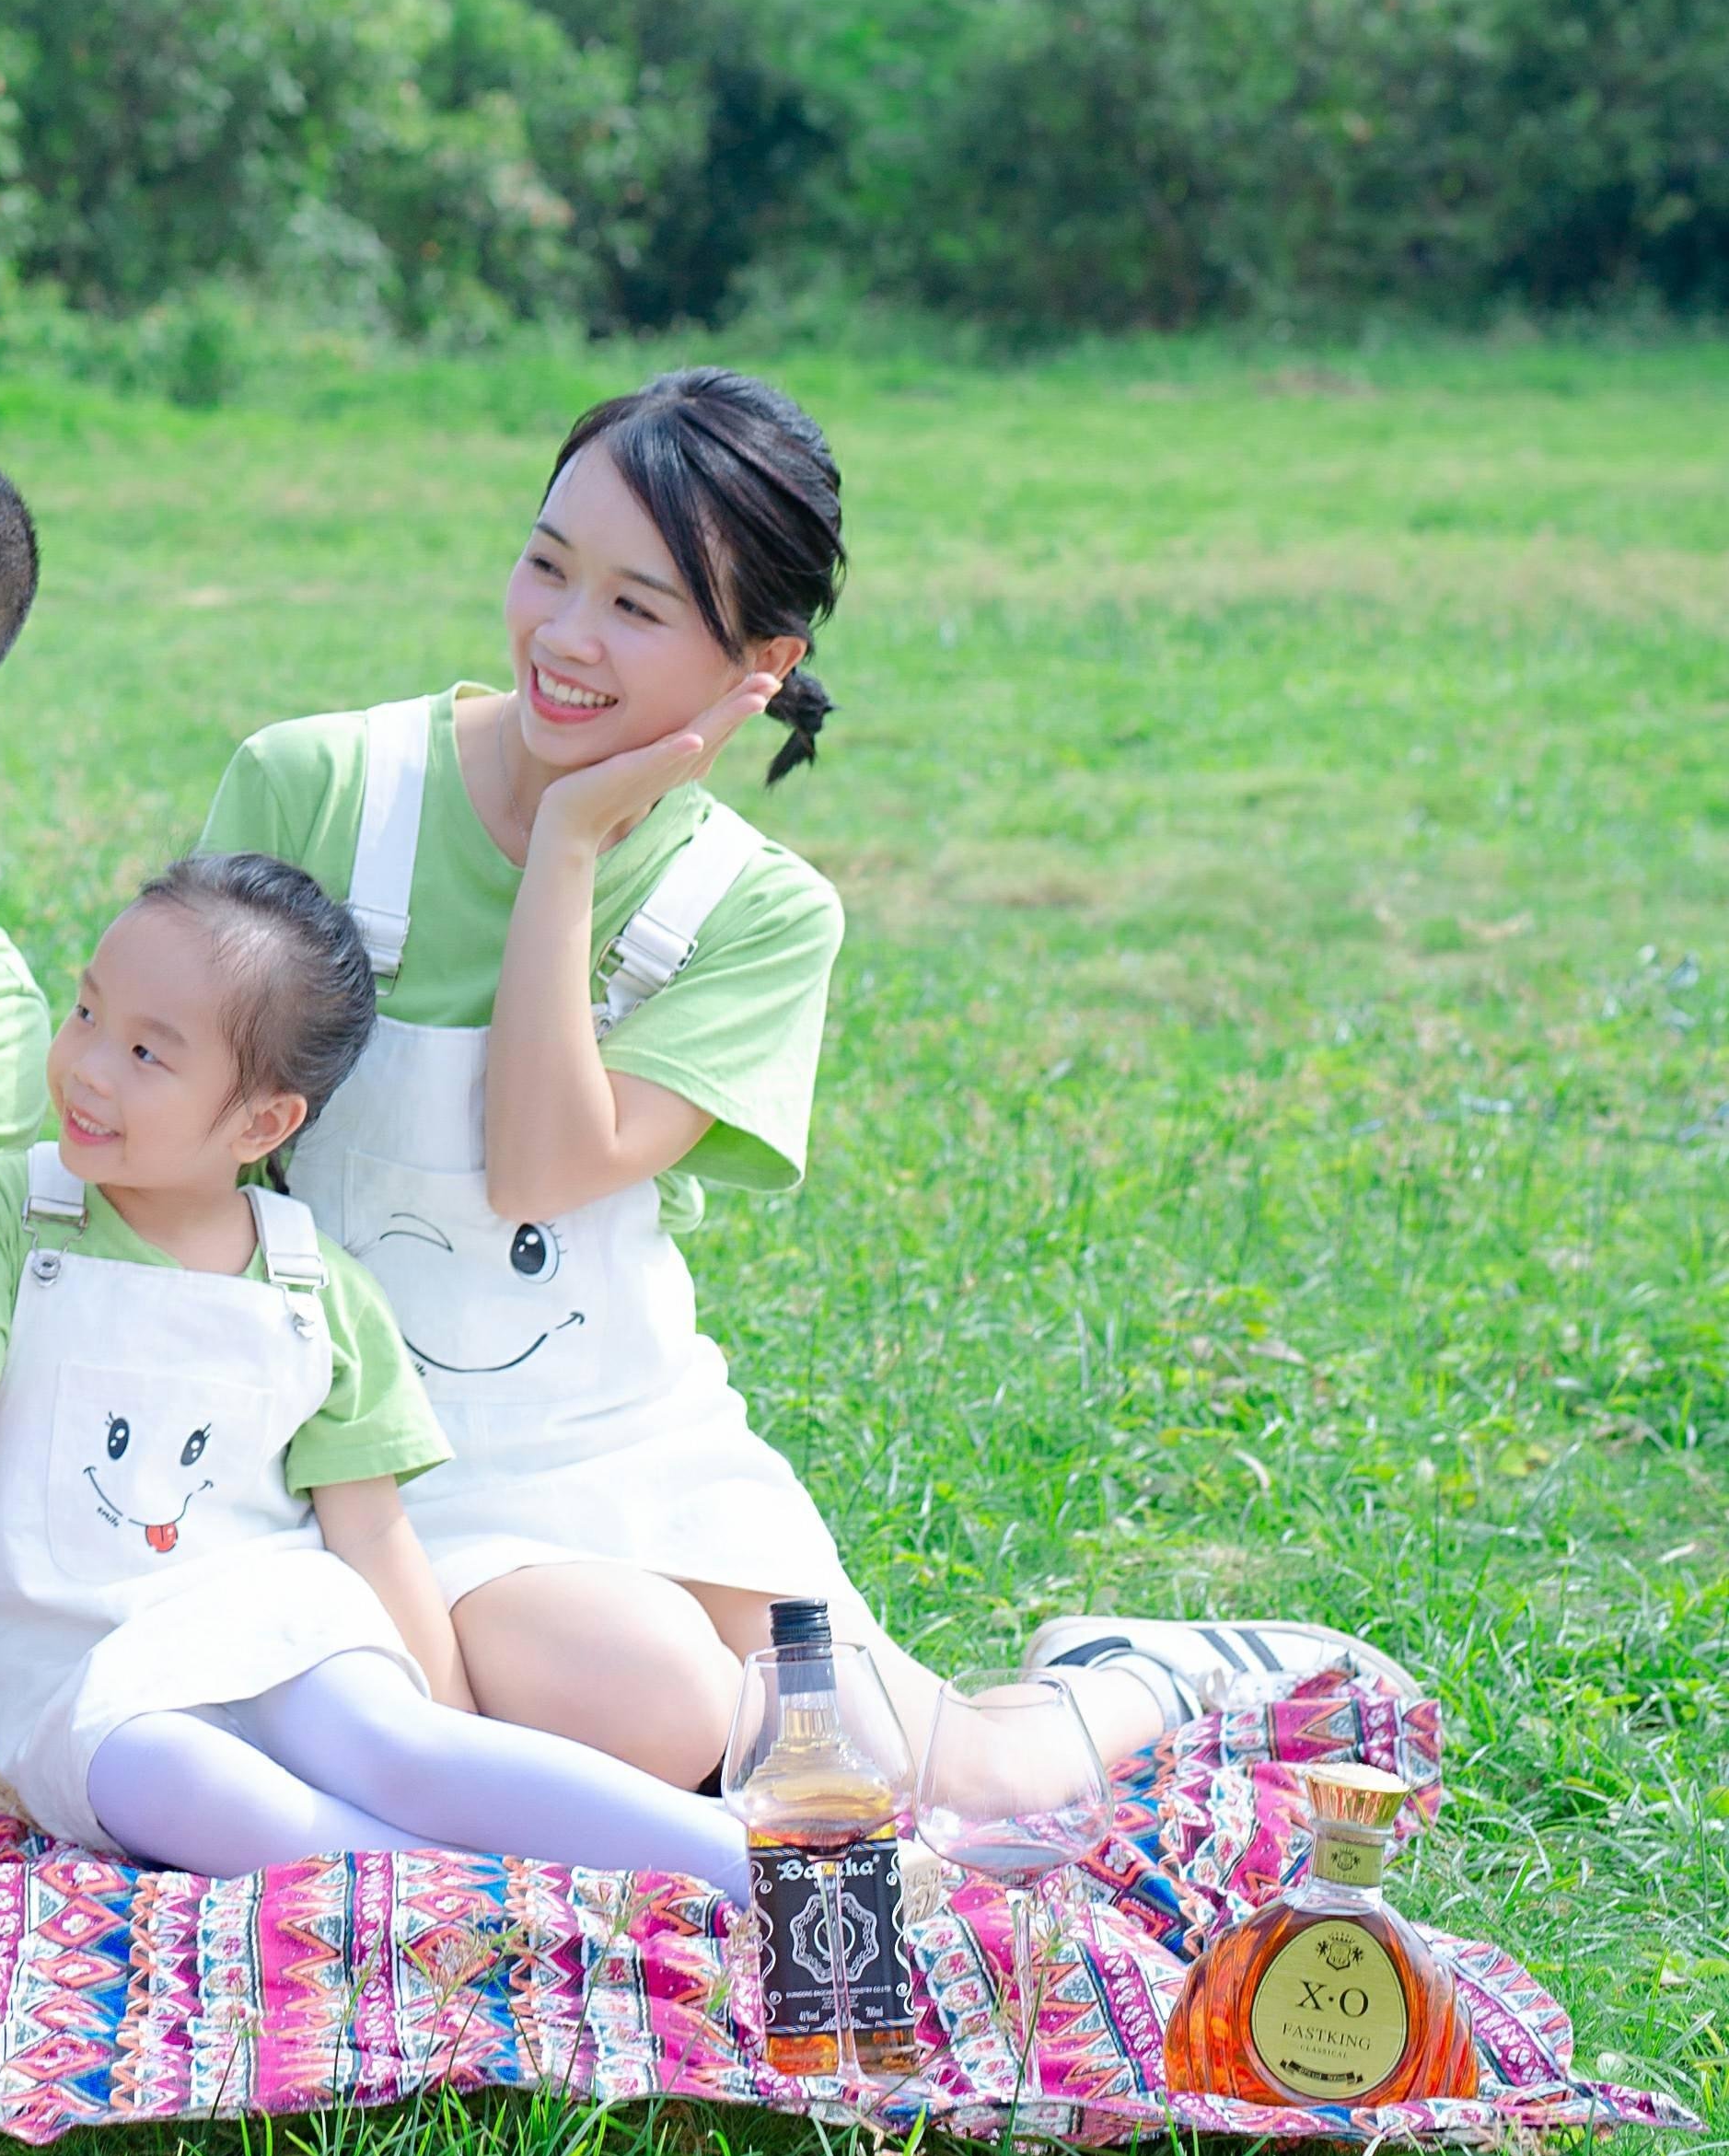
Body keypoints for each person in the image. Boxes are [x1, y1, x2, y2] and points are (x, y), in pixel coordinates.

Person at [205, 369, 1387, 1797]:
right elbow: (181, 1145)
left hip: (617, 1439)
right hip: (358, 1452)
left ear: (756, 665)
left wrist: (570, 846)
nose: (565, 639)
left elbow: (539, 1168)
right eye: (546, 567)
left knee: (965, 1784)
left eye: (638, 610)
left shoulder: (751, 909)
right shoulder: (321, 789)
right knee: (656, 1701)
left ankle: (1134, 1669)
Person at [0, 851, 750, 1891]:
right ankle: (486, 1888)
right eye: (87, 1014)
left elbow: (369, 1526)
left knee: (394, 1744)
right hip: (88, 1675)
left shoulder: (311, 1285)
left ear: (262, 1123)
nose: (91, 1067)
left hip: (271, 1615)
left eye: (150, 1053)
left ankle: (755, 1862)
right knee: (179, 1785)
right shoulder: (6, 1215)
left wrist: (446, 1722)